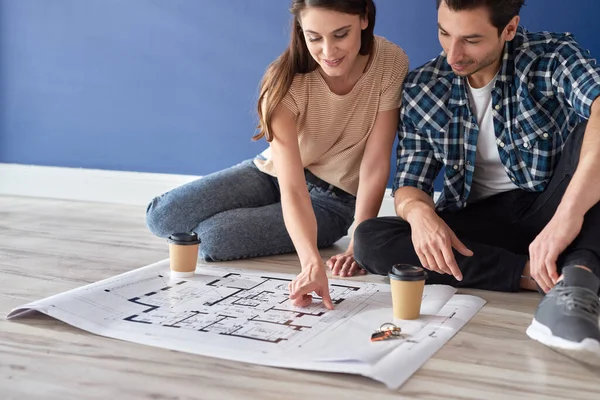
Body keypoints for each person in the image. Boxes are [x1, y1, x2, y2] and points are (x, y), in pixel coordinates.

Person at [354, 0, 600, 366]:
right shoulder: (424, 86)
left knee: (592, 134)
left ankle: (578, 277)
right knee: (370, 239)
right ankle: (551, 278)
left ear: (509, 29)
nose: (453, 54)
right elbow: (409, 183)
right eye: (444, 33)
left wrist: (567, 218)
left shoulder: (552, 56)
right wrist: (420, 215)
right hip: (479, 223)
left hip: (551, 205)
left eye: (471, 39)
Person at [146, 0, 409, 310]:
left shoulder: (390, 62)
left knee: (212, 239)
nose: (328, 51)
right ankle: (274, 219)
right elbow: (292, 186)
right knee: (162, 215)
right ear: (301, 31)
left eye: (341, 35)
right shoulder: (284, 82)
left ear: (364, 19)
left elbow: (376, 162)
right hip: (272, 174)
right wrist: (311, 262)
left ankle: (273, 223)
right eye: (314, 37)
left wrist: (358, 243)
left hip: (333, 202)